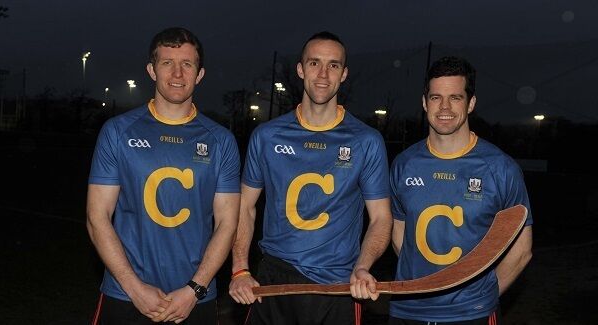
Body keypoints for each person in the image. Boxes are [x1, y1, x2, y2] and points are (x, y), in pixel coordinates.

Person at [228, 31, 393, 324]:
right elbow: (244, 207)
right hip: (273, 280)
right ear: (300, 69)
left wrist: (363, 267)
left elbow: (380, 218)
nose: (323, 74)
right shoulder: (267, 136)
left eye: (333, 65)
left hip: (337, 284)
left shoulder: (366, 141)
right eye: (315, 63)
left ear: (344, 74)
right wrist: (240, 269)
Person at [87, 27, 240, 324]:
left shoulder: (221, 140)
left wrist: (194, 289)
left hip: (194, 300)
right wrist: (134, 288)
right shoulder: (118, 132)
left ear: (200, 74)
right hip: (125, 294)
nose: (177, 74)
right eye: (167, 63)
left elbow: (227, 223)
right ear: (151, 70)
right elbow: (97, 217)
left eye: (187, 64)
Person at [388, 56, 533, 325]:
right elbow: (400, 235)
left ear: (471, 103)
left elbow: (522, 249)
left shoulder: (500, 168)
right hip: (408, 312)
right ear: (424, 102)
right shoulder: (404, 164)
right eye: (435, 98)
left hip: (471, 315)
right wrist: (426, 285)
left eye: (455, 97)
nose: (444, 107)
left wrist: (481, 297)